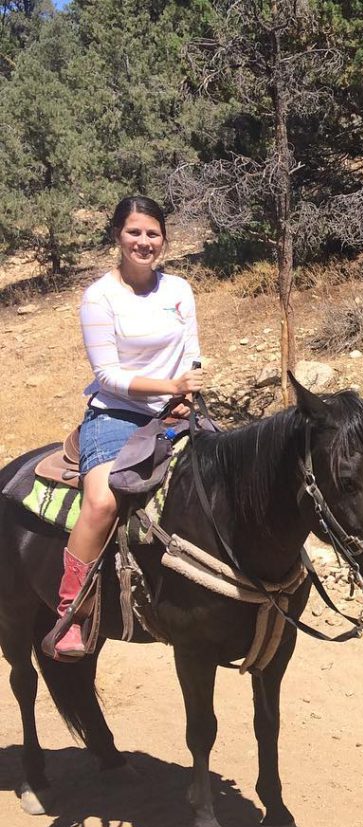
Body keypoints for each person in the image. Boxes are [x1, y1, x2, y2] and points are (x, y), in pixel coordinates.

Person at [44, 195, 205, 661]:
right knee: (102, 501)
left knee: (233, 473)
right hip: (116, 413)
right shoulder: (100, 297)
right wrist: (168, 385)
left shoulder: (178, 289)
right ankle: (71, 611)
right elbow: (109, 374)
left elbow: (192, 351)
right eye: (134, 232)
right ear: (117, 235)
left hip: (176, 408)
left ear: (164, 239)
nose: (144, 241)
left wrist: (186, 392)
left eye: (153, 233)